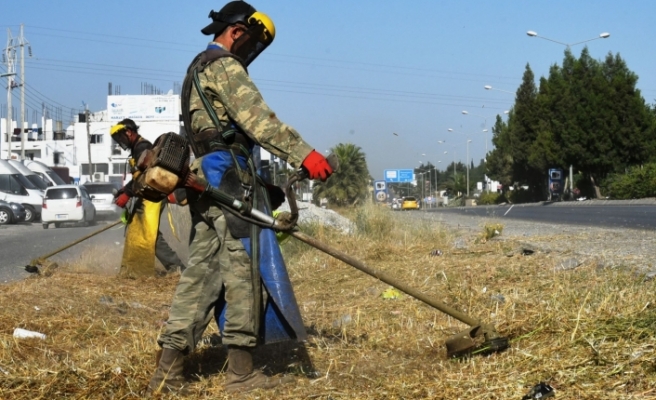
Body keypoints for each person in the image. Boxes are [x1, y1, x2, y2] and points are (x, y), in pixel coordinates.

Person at [148, 1, 333, 394]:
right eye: (251, 43)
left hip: (210, 178)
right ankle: (241, 375)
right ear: (237, 31)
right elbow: (257, 120)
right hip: (228, 180)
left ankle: (166, 372)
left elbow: (216, 134)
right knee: (244, 273)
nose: (250, 53)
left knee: (202, 276)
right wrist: (305, 154)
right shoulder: (224, 65)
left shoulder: (195, 68)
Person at [110, 119, 186, 277]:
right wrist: (124, 190)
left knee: (149, 233)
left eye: (120, 138)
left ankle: (176, 267)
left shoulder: (142, 147)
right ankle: (135, 269)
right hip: (148, 194)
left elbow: (145, 177)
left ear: (129, 133)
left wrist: (128, 194)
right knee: (143, 231)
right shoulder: (137, 148)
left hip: (153, 195)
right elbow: (138, 176)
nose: (120, 143)